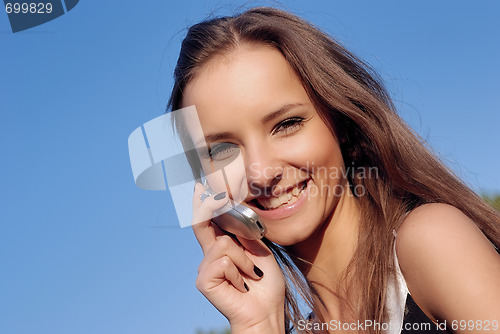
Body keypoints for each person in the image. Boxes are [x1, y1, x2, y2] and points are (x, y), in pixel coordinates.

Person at [167, 7, 500, 334]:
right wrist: (259, 324)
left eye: (286, 124)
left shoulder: (432, 242)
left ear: (341, 122)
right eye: (222, 150)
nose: (261, 173)